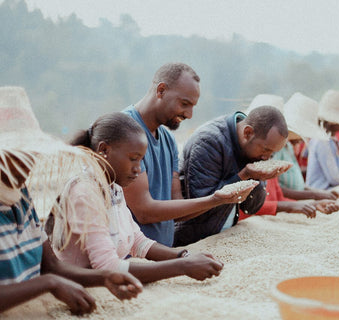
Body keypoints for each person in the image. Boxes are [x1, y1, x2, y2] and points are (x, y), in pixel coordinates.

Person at [0, 87, 142, 315]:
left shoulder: (22, 197)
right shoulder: (84, 188)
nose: (26, 164)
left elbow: (52, 267)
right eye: (13, 155)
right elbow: (50, 278)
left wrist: (105, 277)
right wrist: (50, 284)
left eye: (30, 154)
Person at [49, 112, 224, 284]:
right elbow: (107, 268)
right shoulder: (85, 192)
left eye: (141, 160)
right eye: (133, 159)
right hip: (82, 288)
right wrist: (183, 267)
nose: (138, 169)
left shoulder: (113, 186)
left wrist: (183, 255)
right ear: (104, 150)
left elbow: (138, 242)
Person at [123, 63, 255, 247]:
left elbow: (178, 209)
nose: (189, 114)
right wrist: (214, 199)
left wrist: (222, 198)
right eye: (184, 104)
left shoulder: (168, 139)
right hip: (132, 262)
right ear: (161, 90)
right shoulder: (124, 131)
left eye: (193, 106)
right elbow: (144, 212)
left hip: (163, 259)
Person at [175, 106, 292, 246]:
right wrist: (244, 175)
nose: (266, 157)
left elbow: (251, 208)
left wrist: (258, 178)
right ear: (248, 133)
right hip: (193, 240)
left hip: (224, 234)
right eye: (265, 150)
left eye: (271, 154)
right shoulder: (209, 142)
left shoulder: (253, 149)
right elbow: (202, 203)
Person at [249, 93, 339, 201]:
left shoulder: (289, 148)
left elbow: (296, 185)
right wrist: (315, 195)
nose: (302, 139)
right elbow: (273, 191)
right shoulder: (275, 151)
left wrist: (320, 193)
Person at [238, 177, 339, 221]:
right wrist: (313, 197)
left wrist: (313, 204)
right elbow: (250, 207)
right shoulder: (247, 167)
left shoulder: (270, 161)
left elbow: (280, 197)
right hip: (248, 221)